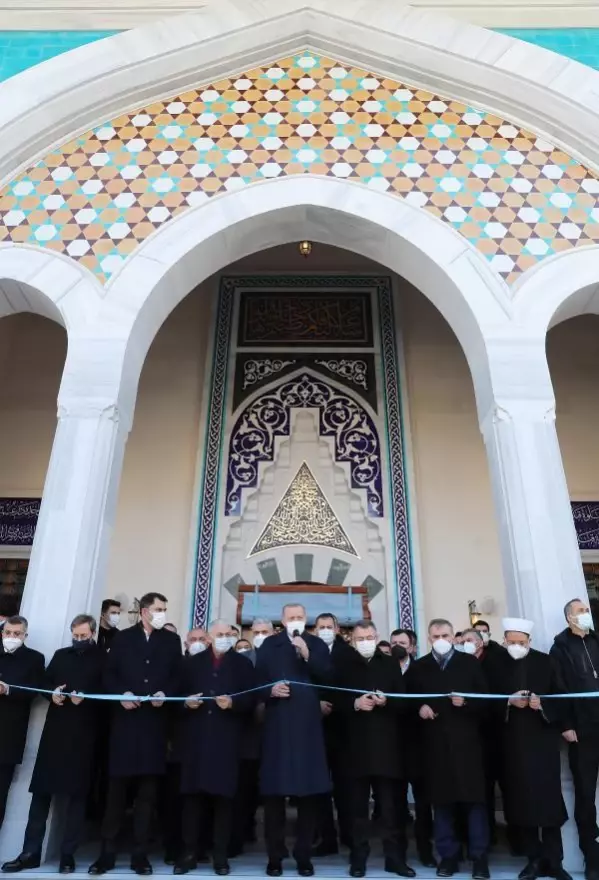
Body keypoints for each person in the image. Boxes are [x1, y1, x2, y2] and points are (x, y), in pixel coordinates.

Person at [89, 592, 182, 876]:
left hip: (154, 725)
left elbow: (178, 675)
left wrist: (165, 693)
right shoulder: (123, 638)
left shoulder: (171, 640)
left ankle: (140, 854)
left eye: (165, 608)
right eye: (158, 608)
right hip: (125, 724)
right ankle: (107, 852)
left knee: (147, 794)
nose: (162, 612)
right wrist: (122, 694)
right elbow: (109, 673)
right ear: (143, 611)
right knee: (116, 793)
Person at [2, 615, 103, 875]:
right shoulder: (60, 655)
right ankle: (30, 852)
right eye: (76, 636)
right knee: (41, 796)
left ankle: (68, 854)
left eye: (84, 636)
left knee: (75, 798)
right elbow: (44, 684)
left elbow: (106, 691)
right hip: (55, 731)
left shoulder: (103, 658)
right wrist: (53, 693)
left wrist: (87, 699)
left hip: (83, 734)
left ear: (92, 633)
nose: (79, 640)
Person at [487, 618, 571, 880]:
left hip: (542, 743)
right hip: (511, 744)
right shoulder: (494, 664)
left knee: (548, 802)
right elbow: (485, 701)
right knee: (521, 802)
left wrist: (541, 704)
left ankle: (554, 861)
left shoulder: (546, 662)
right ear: (504, 641)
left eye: (520, 643)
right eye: (510, 642)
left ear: (529, 642)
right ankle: (533, 859)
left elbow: (561, 697)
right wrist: (509, 703)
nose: (515, 646)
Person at [408, 619, 490, 880]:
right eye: (435, 636)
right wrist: (419, 707)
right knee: (442, 805)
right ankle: (449, 857)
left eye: (445, 634)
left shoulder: (469, 664)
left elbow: (487, 702)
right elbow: (407, 701)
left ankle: (479, 859)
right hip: (434, 747)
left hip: (467, 746)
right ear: (428, 638)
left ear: (453, 636)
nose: (440, 639)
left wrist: (466, 703)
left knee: (474, 805)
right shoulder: (419, 667)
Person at [255, 603, 333, 877]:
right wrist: (269, 691)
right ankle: (275, 856)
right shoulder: (269, 645)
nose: (296, 621)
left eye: (300, 617)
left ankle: (303, 855)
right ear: (282, 620)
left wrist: (306, 652)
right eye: (291, 618)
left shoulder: (315, 644)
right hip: (277, 727)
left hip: (308, 729)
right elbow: (256, 681)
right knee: (274, 797)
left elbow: (327, 674)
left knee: (308, 794)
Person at [175, 619, 256, 877]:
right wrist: (186, 704)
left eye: (228, 634)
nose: (224, 638)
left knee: (223, 801)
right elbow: (176, 697)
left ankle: (220, 854)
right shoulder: (192, 664)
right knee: (193, 800)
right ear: (209, 637)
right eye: (219, 634)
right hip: (196, 740)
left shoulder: (243, 664)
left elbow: (252, 699)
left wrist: (234, 703)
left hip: (226, 741)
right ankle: (189, 852)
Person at [336, 619, 413, 878]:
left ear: (377, 636)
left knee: (390, 809)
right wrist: (355, 704)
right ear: (352, 640)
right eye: (360, 638)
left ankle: (395, 858)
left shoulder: (390, 663)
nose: (366, 642)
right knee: (357, 810)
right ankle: (358, 858)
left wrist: (386, 702)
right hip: (354, 748)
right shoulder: (343, 664)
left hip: (386, 748)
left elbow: (403, 703)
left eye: (370, 637)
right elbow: (334, 703)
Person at [550, 598, 599, 880]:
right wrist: (566, 724)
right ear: (570, 617)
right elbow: (558, 688)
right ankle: (591, 856)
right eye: (581, 611)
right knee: (585, 794)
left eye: (587, 610)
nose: (586, 614)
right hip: (582, 730)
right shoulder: (560, 649)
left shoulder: (596, 640)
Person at [391, 628, 435, 868]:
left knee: (423, 804)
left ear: (413, 648)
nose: (398, 645)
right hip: (391, 747)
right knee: (395, 806)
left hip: (418, 746)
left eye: (403, 642)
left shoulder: (422, 669)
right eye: (394, 642)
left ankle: (425, 850)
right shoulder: (382, 669)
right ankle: (398, 854)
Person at [314, 613, 354, 855]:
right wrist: (316, 705)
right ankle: (326, 837)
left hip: (343, 729)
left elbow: (350, 687)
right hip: (316, 729)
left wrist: (334, 706)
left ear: (337, 628)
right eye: (322, 627)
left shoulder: (349, 654)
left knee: (345, 788)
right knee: (319, 787)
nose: (326, 630)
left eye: (330, 626)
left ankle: (349, 835)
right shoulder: (310, 651)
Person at [0, 616, 45, 833]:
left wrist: (8, 689)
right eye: (8, 632)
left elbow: (35, 690)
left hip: (8, 736)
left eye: (17, 633)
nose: (11, 637)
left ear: (24, 635)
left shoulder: (34, 659)